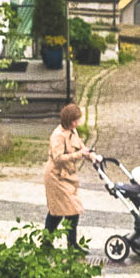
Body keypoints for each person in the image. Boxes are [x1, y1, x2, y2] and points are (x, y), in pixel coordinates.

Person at [43, 102, 93, 250]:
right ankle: (49, 242)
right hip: (56, 176)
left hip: (66, 176)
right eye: (76, 120)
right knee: (59, 211)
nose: (78, 122)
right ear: (70, 120)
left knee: (70, 209)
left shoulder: (73, 131)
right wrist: (79, 155)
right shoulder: (58, 135)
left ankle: (70, 243)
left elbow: (80, 145)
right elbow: (58, 157)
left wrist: (91, 155)